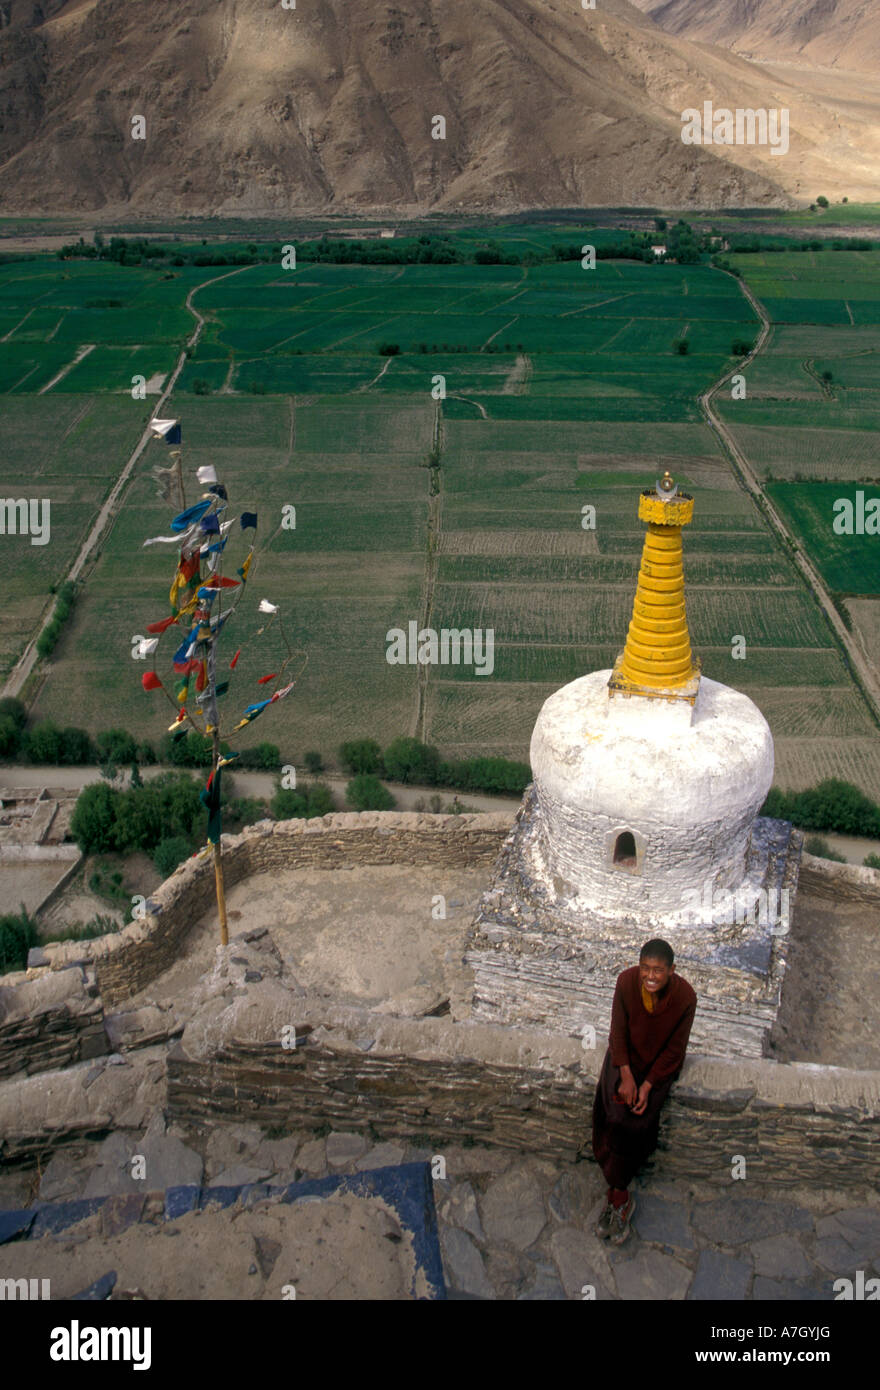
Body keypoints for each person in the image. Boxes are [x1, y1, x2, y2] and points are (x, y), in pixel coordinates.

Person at [590, 938, 697, 1245]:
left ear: (671, 970)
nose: (651, 976)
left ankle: (618, 1197)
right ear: (638, 967)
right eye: (645, 969)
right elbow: (617, 1031)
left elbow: (675, 1049)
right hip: (624, 1059)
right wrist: (625, 1074)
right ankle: (618, 1192)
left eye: (658, 970)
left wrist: (648, 1085)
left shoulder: (685, 998)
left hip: (658, 1068)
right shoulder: (625, 982)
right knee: (614, 1114)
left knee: (636, 1120)